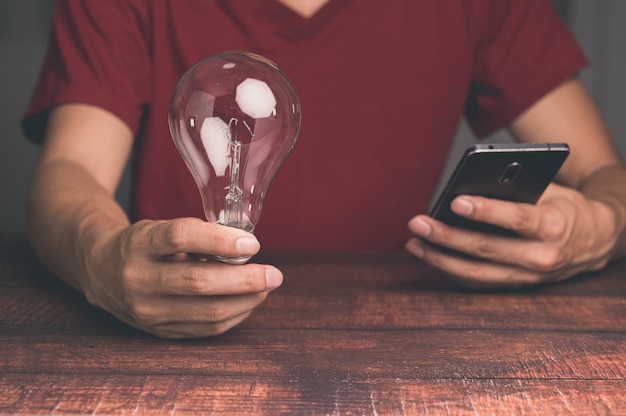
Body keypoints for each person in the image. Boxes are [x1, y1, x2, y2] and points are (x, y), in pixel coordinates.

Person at [22, 0, 626, 338]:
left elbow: (606, 176)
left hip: (401, 338)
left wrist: (602, 227)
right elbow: (72, 169)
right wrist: (101, 257)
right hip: (174, 342)